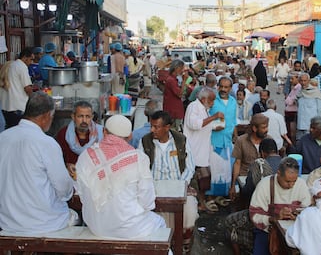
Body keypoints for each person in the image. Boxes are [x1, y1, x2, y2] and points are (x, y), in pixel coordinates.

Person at [76, 114, 166, 238]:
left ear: (104, 131)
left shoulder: (85, 156)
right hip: (130, 228)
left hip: (96, 227)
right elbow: (147, 201)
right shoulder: (138, 158)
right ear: (129, 136)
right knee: (160, 223)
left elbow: (82, 196)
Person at [0, 91, 78, 233]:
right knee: (77, 218)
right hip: (43, 222)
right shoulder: (46, 143)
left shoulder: (3, 137)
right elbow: (64, 189)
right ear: (46, 116)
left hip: (7, 221)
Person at [138, 111, 198, 251]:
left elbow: (190, 167)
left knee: (190, 212)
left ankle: (183, 241)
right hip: (154, 189)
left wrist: (181, 186)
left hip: (179, 186)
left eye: (156, 127)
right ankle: (165, 243)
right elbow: (140, 167)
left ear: (167, 127)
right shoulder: (145, 141)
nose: (152, 130)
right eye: (151, 126)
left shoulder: (181, 140)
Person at [225, 138, 277, 255]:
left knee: (229, 222)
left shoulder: (259, 165)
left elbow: (248, 192)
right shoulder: (286, 164)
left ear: (262, 153)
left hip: (263, 214)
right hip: (277, 214)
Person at [249, 157, 312, 255]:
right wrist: (275, 218)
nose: (291, 185)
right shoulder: (265, 185)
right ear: (278, 173)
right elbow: (254, 215)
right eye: (287, 181)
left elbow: (308, 211)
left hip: (293, 230)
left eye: (294, 181)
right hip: (267, 231)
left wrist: (296, 216)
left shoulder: (301, 185)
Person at [183, 87, 224, 211]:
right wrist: (214, 116)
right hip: (194, 151)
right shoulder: (193, 107)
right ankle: (198, 204)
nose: (213, 103)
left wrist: (219, 123)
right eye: (211, 100)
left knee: (204, 181)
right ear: (203, 99)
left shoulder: (204, 109)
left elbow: (207, 126)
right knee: (197, 181)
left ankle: (201, 203)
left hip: (203, 151)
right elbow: (195, 124)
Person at [56, 101, 103, 179]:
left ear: (92, 117)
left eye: (87, 116)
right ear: (73, 117)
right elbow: (57, 161)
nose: (84, 120)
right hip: (71, 180)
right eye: (80, 116)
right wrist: (66, 166)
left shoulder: (100, 134)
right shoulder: (63, 134)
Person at [208, 76, 237, 197]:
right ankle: (212, 196)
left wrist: (235, 135)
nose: (224, 89)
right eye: (222, 87)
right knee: (214, 171)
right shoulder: (212, 101)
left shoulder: (233, 102)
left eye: (226, 87)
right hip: (214, 141)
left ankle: (225, 194)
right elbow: (205, 120)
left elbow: (234, 121)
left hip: (228, 142)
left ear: (230, 88)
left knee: (226, 171)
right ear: (218, 87)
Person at [230, 114, 268, 200]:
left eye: (267, 127)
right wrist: (232, 186)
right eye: (263, 128)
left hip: (264, 179)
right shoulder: (241, 141)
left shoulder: (269, 140)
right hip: (245, 177)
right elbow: (237, 163)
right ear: (254, 128)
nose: (266, 130)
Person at [0, 47, 33, 129]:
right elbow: (27, 88)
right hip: (17, 108)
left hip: (5, 107)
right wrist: (33, 98)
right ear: (25, 57)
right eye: (30, 59)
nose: (31, 62)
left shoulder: (9, 65)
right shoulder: (22, 66)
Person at [296, 72, 321, 140]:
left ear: (308, 81)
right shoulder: (300, 91)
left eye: (305, 81)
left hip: (310, 124)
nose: (303, 83)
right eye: (301, 81)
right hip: (300, 123)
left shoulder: (315, 92)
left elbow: (320, 109)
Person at [163, 59, 188, 131]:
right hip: (173, 111)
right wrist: (184, 81)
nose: (182, 70)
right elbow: (179, 94)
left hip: (173, 109)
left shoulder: (173, 79)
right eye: (182, 68)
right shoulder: (171, 80)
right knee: (173, 130)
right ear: (177, 68)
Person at [284, 72, 301, 144]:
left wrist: (288, 99)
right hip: (289, 112)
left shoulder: (298, 88)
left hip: (292, 112)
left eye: (292, 79)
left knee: (292, 132)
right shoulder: (294, 87)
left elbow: (290, 101)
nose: (291, 80)